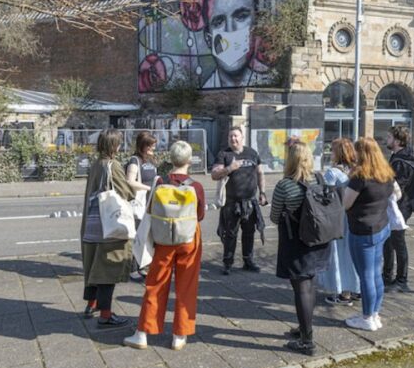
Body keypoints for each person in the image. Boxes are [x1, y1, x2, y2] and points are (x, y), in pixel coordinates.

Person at [123, 141, 206, 351]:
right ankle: (180, 335)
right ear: (189, 161)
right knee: (186, 286)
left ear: (171, 159)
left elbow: (150, 209)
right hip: (189, 238)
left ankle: (142, 333)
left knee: (156, 284)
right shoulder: (196, 186)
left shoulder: (160, 182)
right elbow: (200, 215)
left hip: (163, 239)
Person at [270, 141, 330, 356]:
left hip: (297, 243)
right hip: (319, 241)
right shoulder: (320, 179)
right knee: (310, 285)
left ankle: (307, 341)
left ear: (290, 160)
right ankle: (304, 327)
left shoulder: (284, 186)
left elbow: (274, 216)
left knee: (301, 288)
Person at [79, 128, 135, 328]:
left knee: (93, 265)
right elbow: (126, 193)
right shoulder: (113, 165)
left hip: (91, 223)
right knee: (107, 269)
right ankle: (105, 315)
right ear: (114, 146)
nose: (120, 146)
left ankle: (91, 304)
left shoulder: (96, 164)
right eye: (119, 143)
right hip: (108, 226)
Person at [342, 138, 395, 332]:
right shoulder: (386, 173)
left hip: (362, 230)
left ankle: (366, 318)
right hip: (381, 227)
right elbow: (396, 194)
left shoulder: (359, 176)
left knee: (365, 276)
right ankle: (375, 314)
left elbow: (346, 203)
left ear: (361, 153)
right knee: (375, 273)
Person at [211, 126, 267, 275]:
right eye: (230, 136)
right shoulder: (224, 154)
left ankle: (248, 261)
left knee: (249, 233)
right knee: (230, 234)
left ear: (242, 137)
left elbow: (260, 173)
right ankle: (227, 263)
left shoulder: (252, 153)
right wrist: (230, 168)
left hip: (250, 201)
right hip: (231, 203)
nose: (233, 139)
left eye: (236, 136)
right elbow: (214, 175)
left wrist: (262, 192)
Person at [316, 138, 361, 306]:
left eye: (333, 150)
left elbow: (325, 197)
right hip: (353, 218)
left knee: (339, 256)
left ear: (338, 153)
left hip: (338, 219)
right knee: (352, 255)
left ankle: (344, 293)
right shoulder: (356, 170)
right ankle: (356, 289)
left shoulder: (332, 173)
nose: (331, 153)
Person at [202, 0, 268, 88]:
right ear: (208, 38)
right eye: (219, 22)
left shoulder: (272, 81)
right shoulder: (204, 89)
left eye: (241, 16)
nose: (230, 30)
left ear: (257, 22)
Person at [383, 125, 414, 293]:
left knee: (398, 242)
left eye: (389, 137)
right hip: (398, 205)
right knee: (388, 242)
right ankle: (387, 275)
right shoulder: (399, 156)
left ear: (397, 141)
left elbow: (397, 187)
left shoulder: (401, 161)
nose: (387, 140)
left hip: (401, 206)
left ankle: (402, 280)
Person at [125, 131, 159, 280]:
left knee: (147, 237)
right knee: (137, 236)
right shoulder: (135, 160)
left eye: (154, 145)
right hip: (138, 204)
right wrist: (149, 188)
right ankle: (133, 269)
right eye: (150, 145)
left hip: (150, 203)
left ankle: (142, 266)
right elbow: (130, 181)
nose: (153, 148)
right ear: (142, 145)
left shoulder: (152, 160)